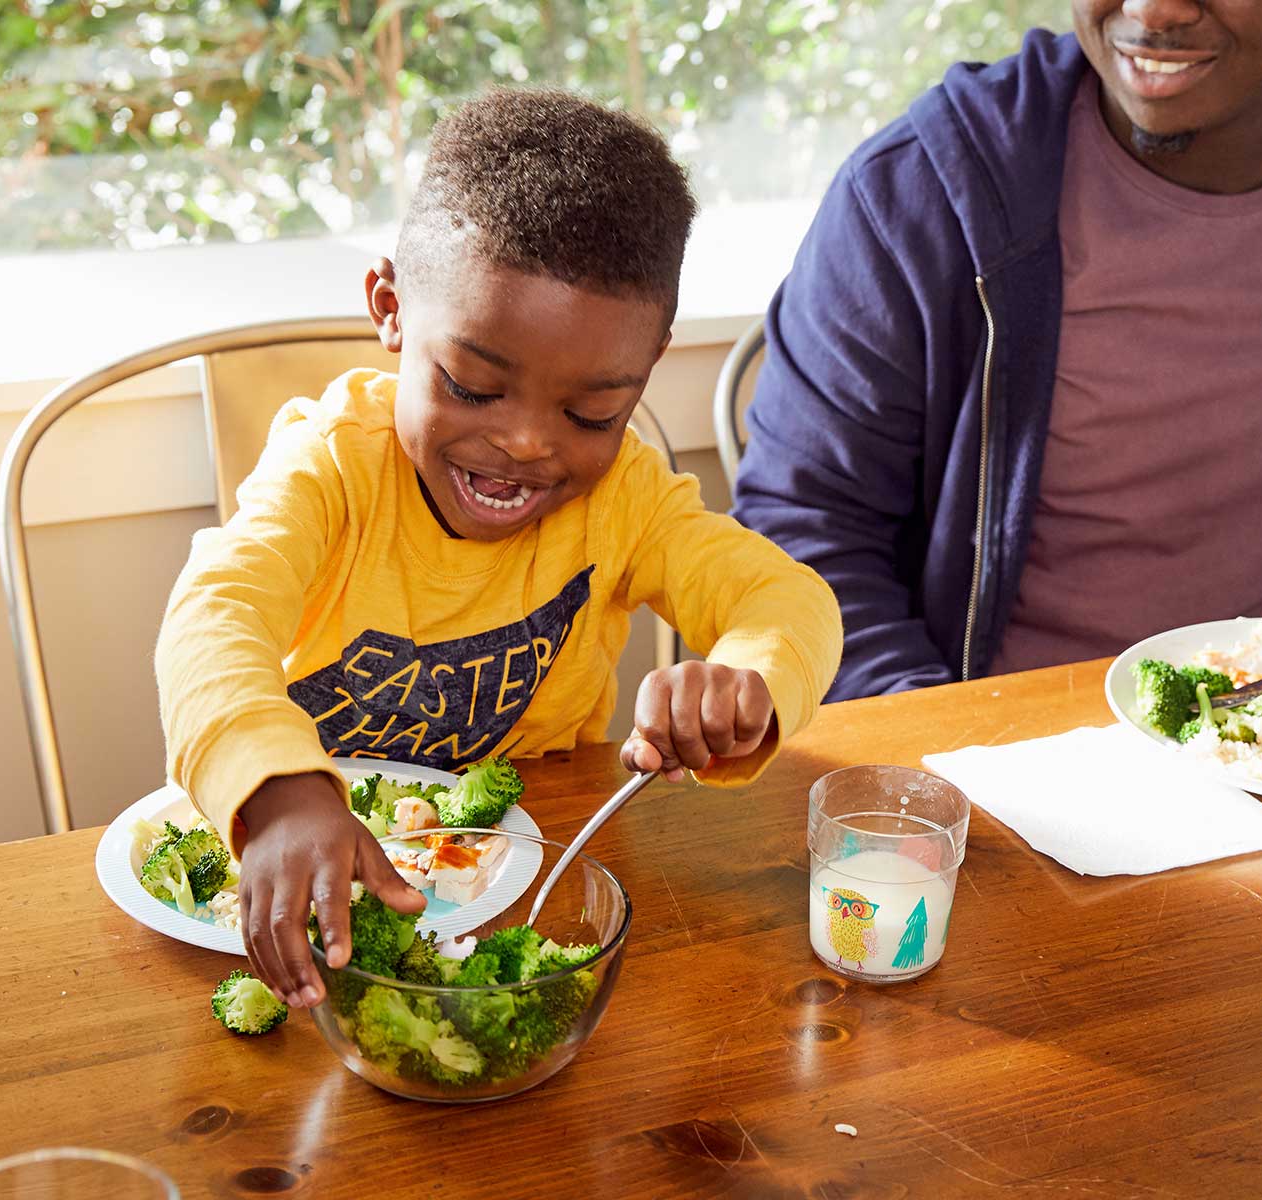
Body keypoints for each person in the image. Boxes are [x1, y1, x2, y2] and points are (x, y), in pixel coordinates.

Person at [155, 88, 843, 1008]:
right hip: (309, 901)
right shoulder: (331, 469)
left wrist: (747, 680)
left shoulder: (625, 495)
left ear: (646, 366)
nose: (526, 443)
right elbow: (215, 614)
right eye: (474, 387)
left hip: (534, 893)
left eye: (591, 412)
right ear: (390, 307)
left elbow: (788, 601)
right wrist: (277, 791)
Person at [735, 0, 1262, 701]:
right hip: (997, 765)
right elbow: (803, 532)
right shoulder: (918, 193)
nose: (1152, 9)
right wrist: (953, 760)